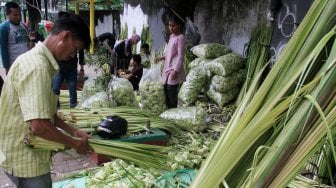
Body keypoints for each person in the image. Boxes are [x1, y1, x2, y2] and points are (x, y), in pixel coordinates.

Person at [0, 12, 94, 187]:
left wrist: (73, 131)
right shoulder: (37, 68)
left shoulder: (39, 62)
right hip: (25, 159)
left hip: (27, 152)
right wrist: (75, 144)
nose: (72, 56)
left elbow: (47, 114)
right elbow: (39, 126)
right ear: (65, 36)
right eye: (74, 50)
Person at [155, 15, 186, 108]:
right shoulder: (171, 36)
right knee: (165, 89)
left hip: (174, 68)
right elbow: (169, 53)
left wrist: (176, 71)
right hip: (167, 67)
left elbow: (180, 56)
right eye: (169, 26)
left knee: (171, 89)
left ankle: (173, 111)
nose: (171, 28)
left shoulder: (181, 38)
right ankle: (168, 111)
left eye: (173, 26)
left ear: (179, 25)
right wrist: (161, 58)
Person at [0, 2, 34, 74]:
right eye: (15, 15)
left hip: (27, 63)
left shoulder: (23, 26)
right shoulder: (4, 28)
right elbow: (3, 49)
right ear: (7, 15)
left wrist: (31, 38)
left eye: (20, 14)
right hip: (15, 65)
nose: (19, 17)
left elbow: (28, 43)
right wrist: (7, 68)